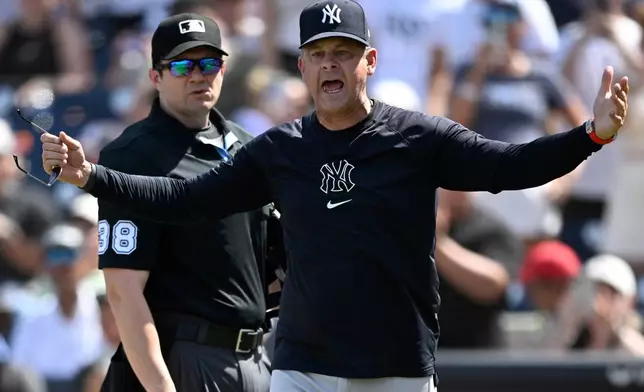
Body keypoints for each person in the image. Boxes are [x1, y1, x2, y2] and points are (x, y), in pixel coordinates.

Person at [40, 1, 628, 391]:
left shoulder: (416, 138)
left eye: (343, 52)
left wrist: (592, 135)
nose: (330, 65)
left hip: (396, 365)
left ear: (369, 61)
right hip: (303, 367)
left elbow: (513, 165)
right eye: (318, 54)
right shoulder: (278, 149)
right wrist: (90, 176)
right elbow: (182, 201)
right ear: (300, 66)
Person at [64, 13, 276, 392]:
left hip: (258, 358)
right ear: (155, 77)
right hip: (185, 360)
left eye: (210, 63)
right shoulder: (134, 156)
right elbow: (123, 291)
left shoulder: (247, 148)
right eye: (182, 65)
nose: (198, 75)